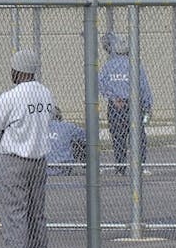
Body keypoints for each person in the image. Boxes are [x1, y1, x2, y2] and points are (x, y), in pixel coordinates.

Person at [0, 50, 54, 248]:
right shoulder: (46, 94)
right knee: (37, 215)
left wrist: (7, 134)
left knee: (15, 215)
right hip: (39, 159)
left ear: (18, 71)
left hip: (14, 159)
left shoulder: (10, 97)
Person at [97, 35, 152, 175]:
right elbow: (143, 86)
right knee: (138, 136)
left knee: (117, 137)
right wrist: (147, 105)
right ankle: (139, 166)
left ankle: (120, 166)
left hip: (115, 106)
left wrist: (113, 97)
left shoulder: (108, 66)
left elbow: (100, 84)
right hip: (132, 104)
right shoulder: (135, 65)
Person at [47, 107, 87, 176]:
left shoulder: (39, 127)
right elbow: (86, 137)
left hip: (42, 169)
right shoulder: (68, 126)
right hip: (64, 167)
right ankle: (89, 167)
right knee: (77, 141)